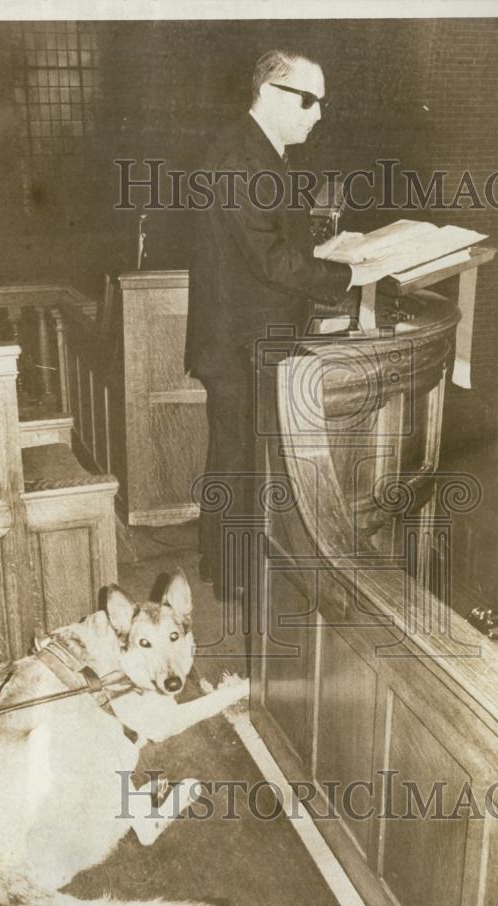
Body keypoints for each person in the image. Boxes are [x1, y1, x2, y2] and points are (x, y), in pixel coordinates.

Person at [185, 48, 380, 600]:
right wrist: (347, 274)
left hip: (247, 336)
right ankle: (235, 579)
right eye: (308, 100)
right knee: (240, 462)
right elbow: (268, 259)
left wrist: (329, 251)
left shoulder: (262, 151)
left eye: (322, 102)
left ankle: (223, 567)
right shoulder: (241, 156)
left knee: (237, 458)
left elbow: (269, 242)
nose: (318, 114)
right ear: (270, 92)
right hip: (239, 342)